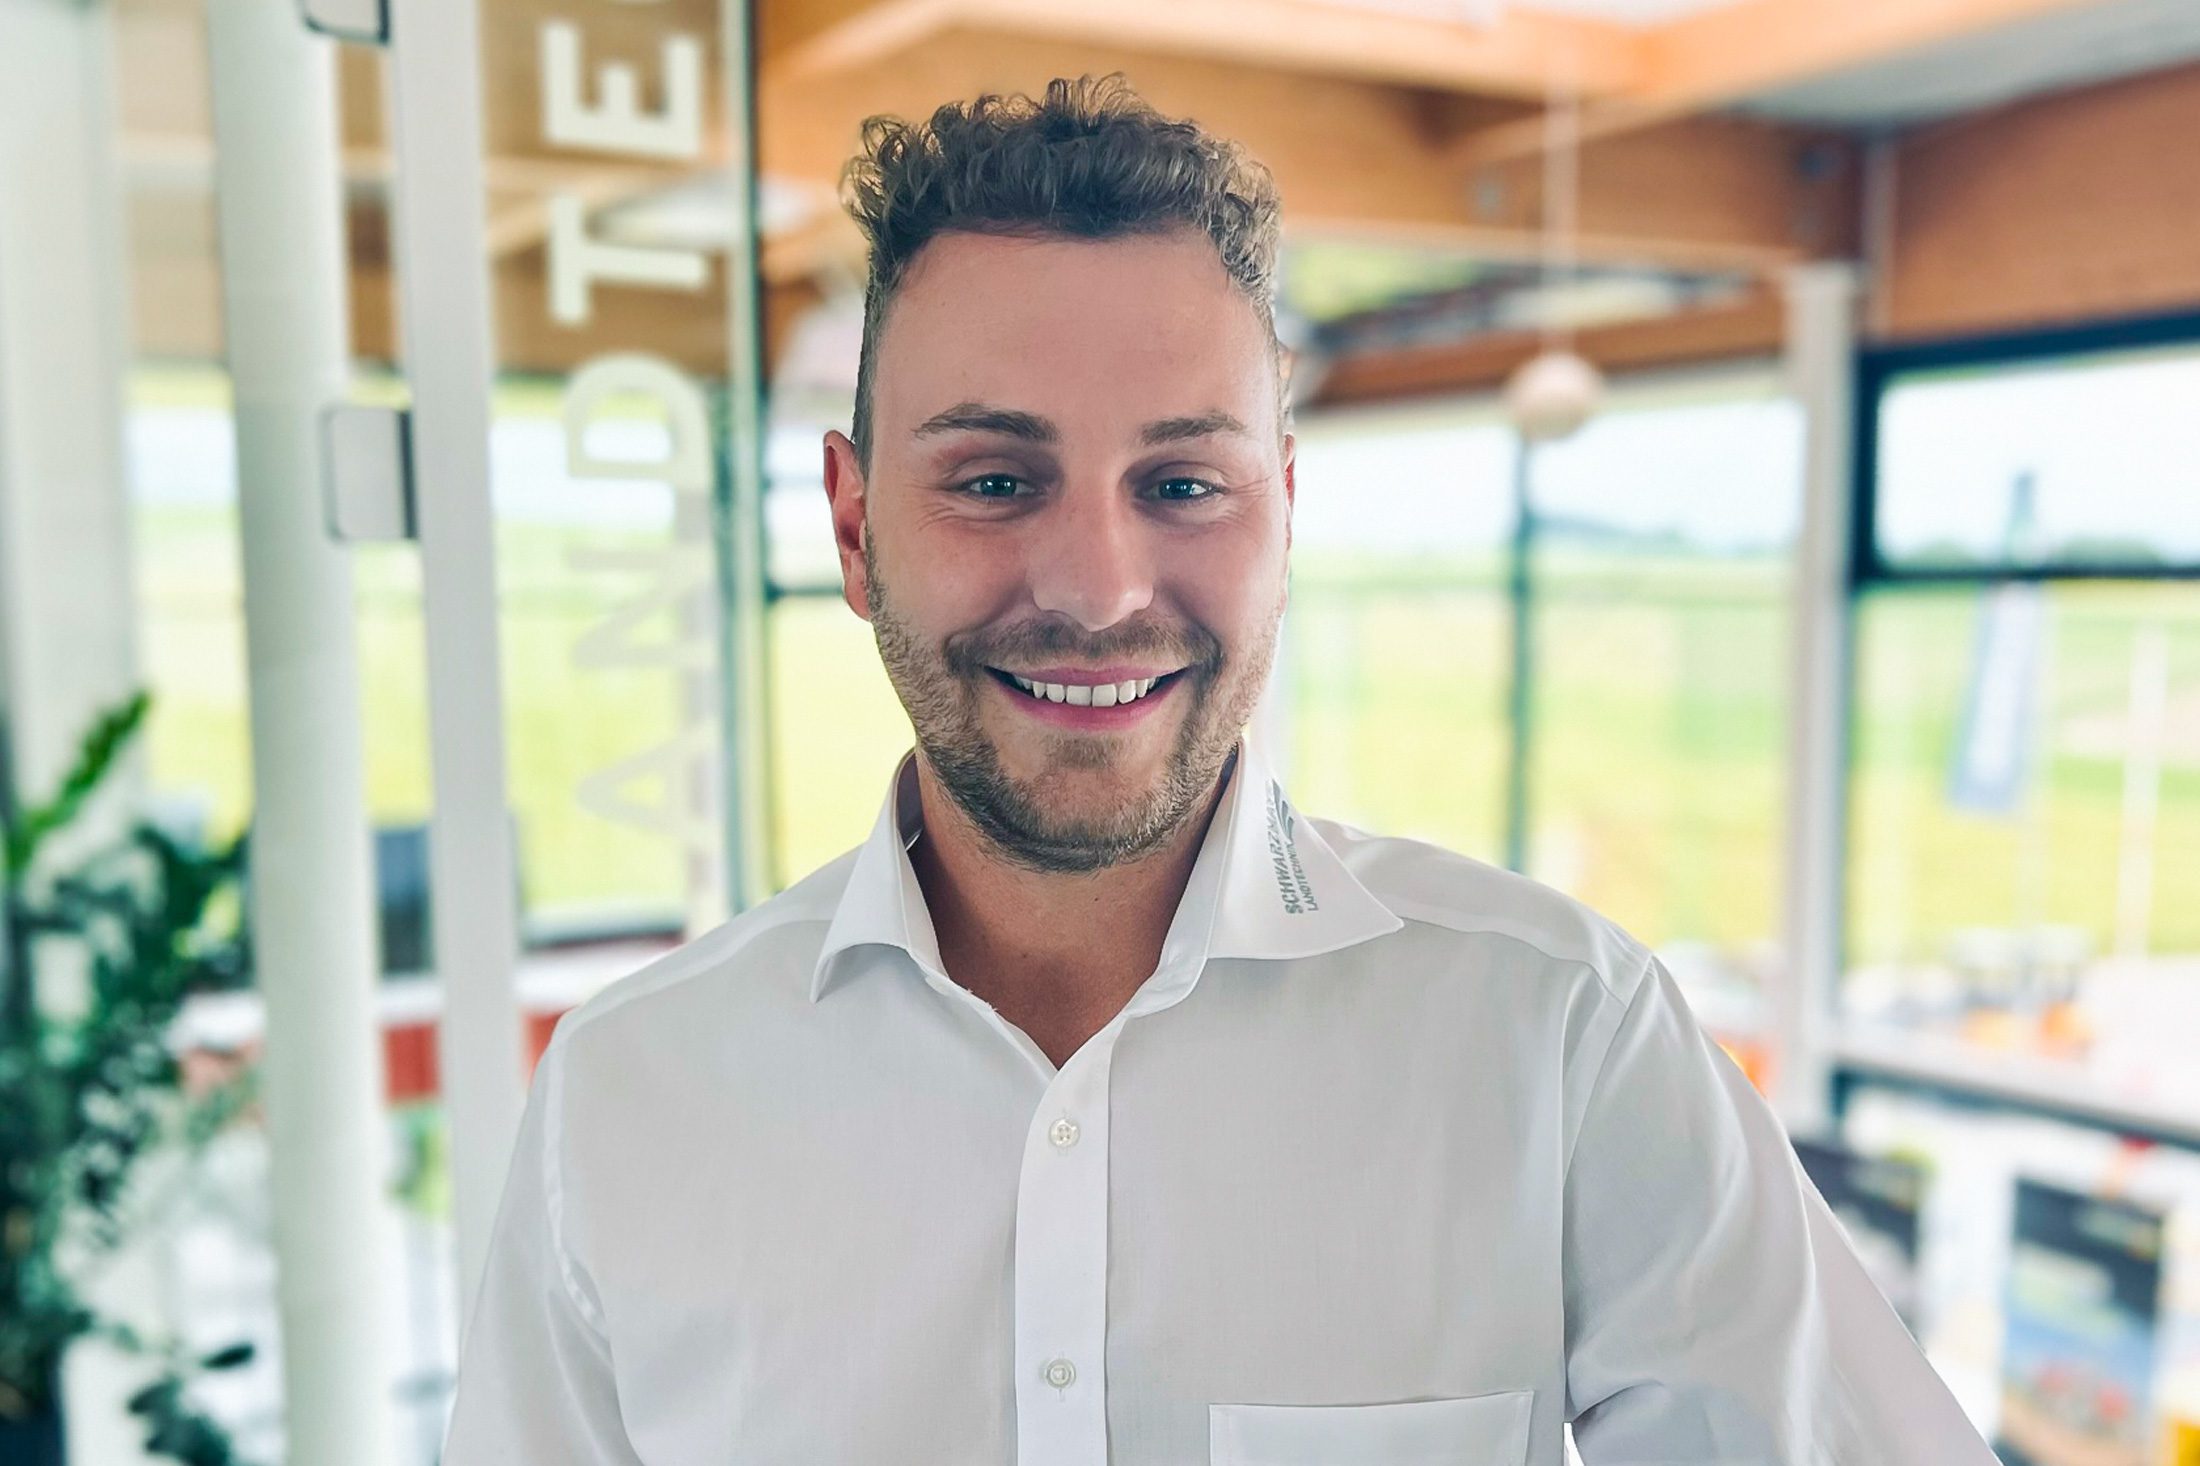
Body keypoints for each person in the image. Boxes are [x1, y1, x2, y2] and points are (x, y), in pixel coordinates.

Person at [441, 73, 1996, 1465]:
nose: (1099, 586)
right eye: (995, 478)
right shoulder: (628, 1101)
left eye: (1183, 482)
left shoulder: (1561, 1038)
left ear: (1285, 514)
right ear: (853, 528)